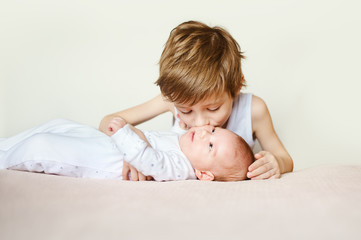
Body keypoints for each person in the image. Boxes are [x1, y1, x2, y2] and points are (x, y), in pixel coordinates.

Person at [99, 20, 293, 180]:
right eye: (186, 111)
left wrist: (276, 162)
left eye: (213, 108)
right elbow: (108, 120)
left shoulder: (254, 110)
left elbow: (285, 158)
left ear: (236, 88)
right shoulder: (170, 101)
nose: (200, 123)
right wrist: (132, 145)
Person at [0, 118, 254, 182]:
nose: (203, 132)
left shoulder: (181, 167)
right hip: (101, 140)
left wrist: (124, 131)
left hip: (100, 158)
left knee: (41, 145)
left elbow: (147, 160)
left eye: (209, 145)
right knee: (58, 125)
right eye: (213, 130)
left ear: (204, 174)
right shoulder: (183, 138)